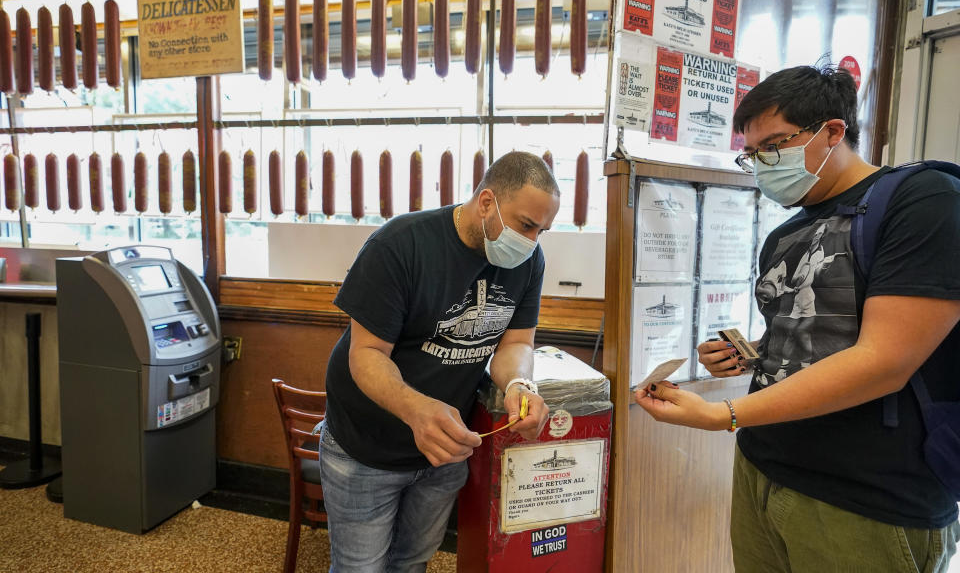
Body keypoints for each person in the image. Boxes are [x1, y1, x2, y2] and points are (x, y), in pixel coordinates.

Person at [636, 65, 960, 571]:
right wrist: (747, 357)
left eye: (774, 145)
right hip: (764, 467)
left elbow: (885, 360)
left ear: (833, 132)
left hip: (865, 496)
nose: (762, 163)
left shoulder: (924, 201)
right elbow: (806, 339)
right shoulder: (785, 234)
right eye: (752, 154)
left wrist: (725, 415)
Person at [319, 151, 558, 572]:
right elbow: (366, 354)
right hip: (365, 445)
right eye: (525, 225)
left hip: (444, 450)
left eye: (543, 230)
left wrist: (520, 385)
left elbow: (516, 342)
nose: (532, 241)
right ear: (486, 202)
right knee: (360, 567)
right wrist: (417, 410)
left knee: (413, 561)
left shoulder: (528, 261)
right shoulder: (401, 244)